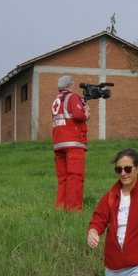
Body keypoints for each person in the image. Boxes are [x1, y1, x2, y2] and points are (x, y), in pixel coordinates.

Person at [51, 75, 88, 210]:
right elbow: (78, 116)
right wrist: (86, 115)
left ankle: (60, 207)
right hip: (73, 142)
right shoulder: (72, 97)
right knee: (75, 176)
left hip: (58, 143)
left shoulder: (56, 100)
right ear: (71, 85)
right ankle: (74, 209)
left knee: (63, 178)